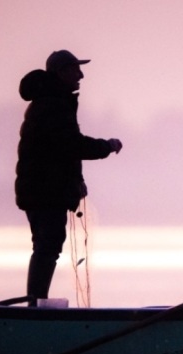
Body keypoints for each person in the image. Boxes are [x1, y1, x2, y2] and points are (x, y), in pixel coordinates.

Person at [15, 50, 123, 304]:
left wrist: (77, 182)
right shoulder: (53, 104)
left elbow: (61, 151)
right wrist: (106, 146)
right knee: (48, 245)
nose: (81, 75)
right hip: (44, 190)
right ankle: (35, 305)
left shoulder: (51, 101)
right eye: (75, 70)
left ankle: (35, 303)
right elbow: (71, 145)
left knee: (46, 245)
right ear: (61, 72)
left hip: (42, 189)